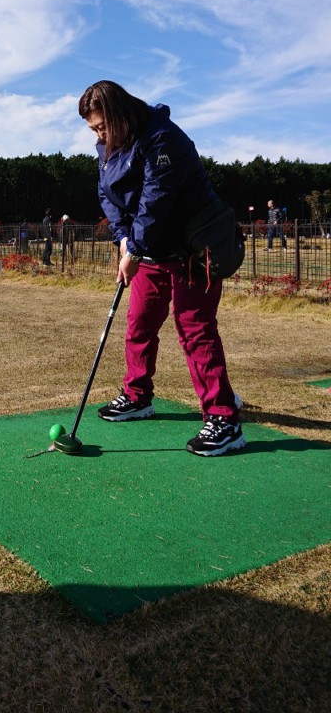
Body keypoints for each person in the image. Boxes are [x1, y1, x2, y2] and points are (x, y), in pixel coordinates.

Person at [79, 79, 245, 457]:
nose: (99, 135)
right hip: (151, 246)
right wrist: (123, 238)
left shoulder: (163, 138)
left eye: (103, 126)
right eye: (93, 129)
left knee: (195, 329)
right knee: (140, 322)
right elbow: (107, 194)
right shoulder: (108, 147)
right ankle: (138, 396)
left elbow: (158, 199)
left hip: (193, 246)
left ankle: (223, 419)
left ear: (120, 115)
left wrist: (133, 249)